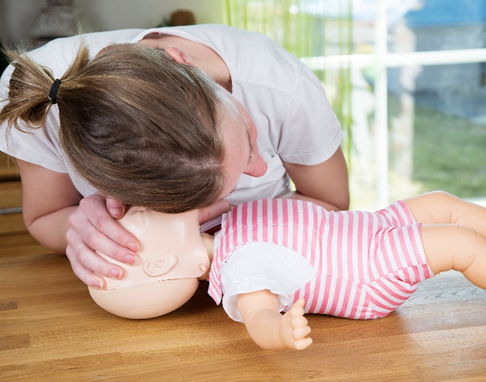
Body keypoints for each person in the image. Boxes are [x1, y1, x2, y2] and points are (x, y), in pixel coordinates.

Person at [0, 24, 349, 289]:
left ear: (181, 59)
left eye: (247, 133)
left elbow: (333, 204)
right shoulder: (32, 97)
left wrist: (231, 240)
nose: (259, 171)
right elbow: (44, 217)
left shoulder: (283, 85)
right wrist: (80, 230)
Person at [89, 191, 486, 351]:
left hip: (364, 226)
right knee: (458, 243)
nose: (140, 205)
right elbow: (259, 314)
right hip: (367, 269)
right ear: (162, 264)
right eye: (140, 217)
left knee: (440, 203)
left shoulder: (223, 226)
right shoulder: (239, 268)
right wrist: (279, 331)